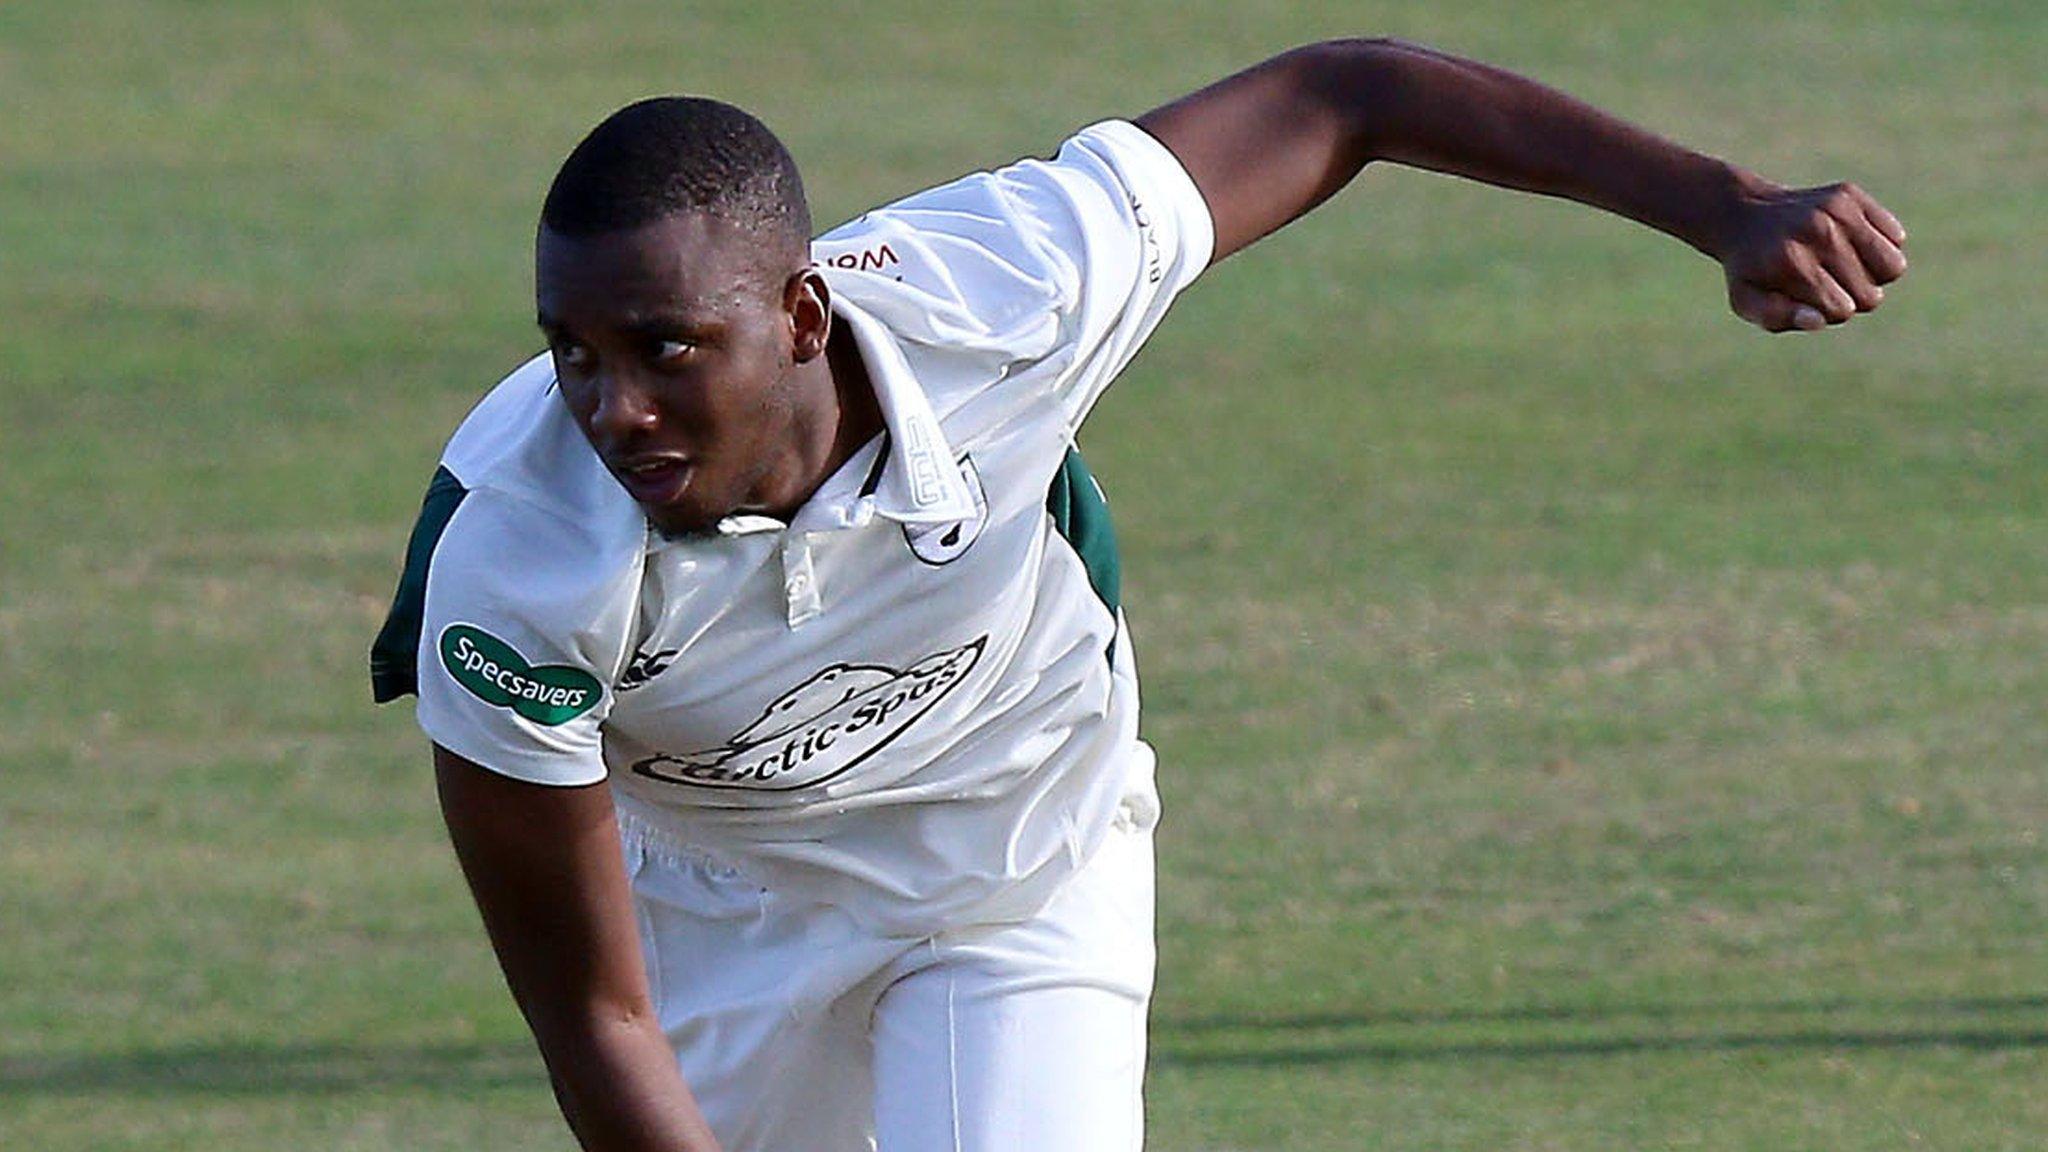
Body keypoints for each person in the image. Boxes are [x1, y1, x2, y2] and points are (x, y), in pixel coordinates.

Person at [370, 37, 1905, 1152]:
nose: (611, 405)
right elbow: (598, 1018)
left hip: (1020, 866)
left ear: (801, 314)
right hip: (730, 917)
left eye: (665, 348)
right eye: (572, 350)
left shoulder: (1008, 289)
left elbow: (1344, 96)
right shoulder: (513, 574)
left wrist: (1724, 205)